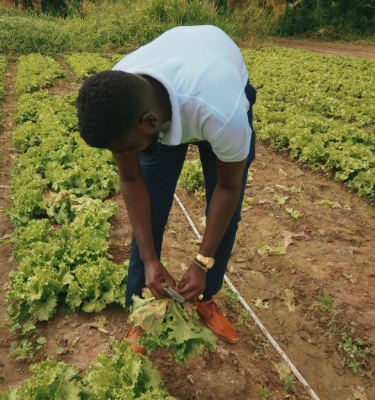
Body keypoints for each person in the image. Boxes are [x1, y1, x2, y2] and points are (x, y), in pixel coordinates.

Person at [76, 25, 257, 355]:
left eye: (128, 148)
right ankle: (141, 309)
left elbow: (229, 187)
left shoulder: (223, 113)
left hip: (212, 90)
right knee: (151, 208)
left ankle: (204, 296)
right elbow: (132, 182)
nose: (125, 155)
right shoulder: (119, 99)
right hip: (169, 99)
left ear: (149, 123)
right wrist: (149, 259)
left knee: (225, 216)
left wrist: (201, 264)